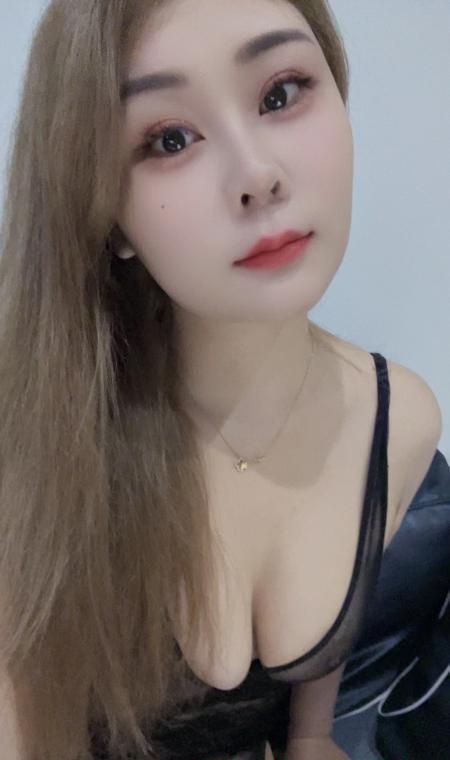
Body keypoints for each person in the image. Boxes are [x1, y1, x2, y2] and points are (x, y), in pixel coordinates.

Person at [0, 1, 443, 759]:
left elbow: (316, 706)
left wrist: (311, 739)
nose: (258, 175)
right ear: (108, 216)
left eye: (281, 94)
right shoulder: (40, 448)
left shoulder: (398, 421)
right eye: (169, 139)